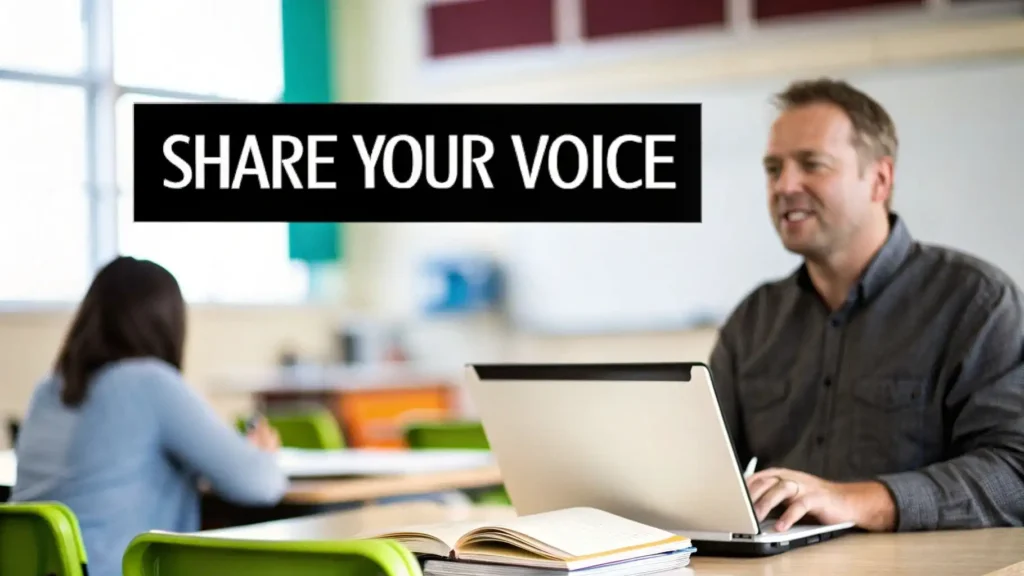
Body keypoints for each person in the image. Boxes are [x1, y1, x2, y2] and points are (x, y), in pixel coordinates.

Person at [709, 78, 1024, 534]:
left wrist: (859, 501)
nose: (784, 185)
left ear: (879, 179)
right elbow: (707, 476)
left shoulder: (977, 303)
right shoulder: (753, 322)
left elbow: (1015, 474)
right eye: (773, 168)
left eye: (811, 165)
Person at [11, 256, 288, 576]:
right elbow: (259, 484)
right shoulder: (150, 382)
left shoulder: (47, 389)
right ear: (169, 323)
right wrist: (263, 454)